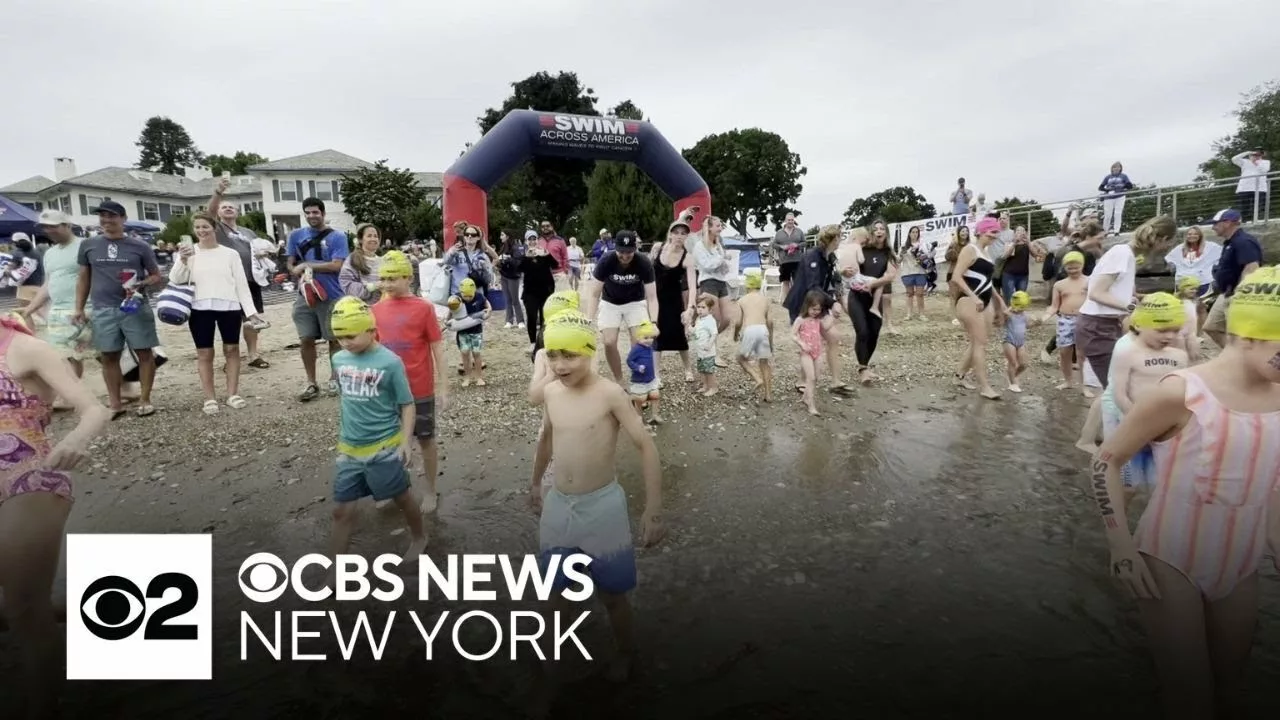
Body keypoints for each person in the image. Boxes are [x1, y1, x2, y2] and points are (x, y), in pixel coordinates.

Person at [1090, 267, 1280, 720]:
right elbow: (1106, 462)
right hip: (1171, 560)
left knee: (1231, 686)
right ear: (1249, 335)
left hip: (1242, 564)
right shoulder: (1181, 393)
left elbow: (1271, 479)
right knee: (1190, 697)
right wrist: (1120, 544)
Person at [531, 308, 664, 694]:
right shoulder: (551, 392)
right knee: (555, 591)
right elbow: (546, 439)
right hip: (560, 505)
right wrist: (534, 484)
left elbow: (645, 445)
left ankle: (625, 652)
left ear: (590, 351)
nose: (560, 365)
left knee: (612, 595)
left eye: (570, 355)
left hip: (602, 507)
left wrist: (653, 509)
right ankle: (552, 658)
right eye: (553, 355)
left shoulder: (609, 394)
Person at [0, 315, 111, 720]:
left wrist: (76, 439)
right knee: (26, 602)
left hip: (28, 475)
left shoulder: (25, 349)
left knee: (23, 607)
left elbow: (94, 409)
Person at [327, 297, 427, 562]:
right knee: (341, 511)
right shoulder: (338, 359)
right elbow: (346, 397)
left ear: (371, 330)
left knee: (402, 498)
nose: (345, 342)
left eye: (351, 336)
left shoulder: (390, 362)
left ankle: (419, 536)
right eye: (339, 337)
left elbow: (406, 403)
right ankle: (335, 571)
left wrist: (406, 441)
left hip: (383, 446)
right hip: (349, 448)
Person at [370, 251, 449, 514]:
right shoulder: (375, 310)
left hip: (419, 387)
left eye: (393, 278)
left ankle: (430, 489)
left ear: (408, 277)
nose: (387, 284)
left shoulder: (423, 307)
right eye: (383, 279)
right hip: (387, 390)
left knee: (425, 439)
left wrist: (444, 385)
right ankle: (395, 488)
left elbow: (437, 347)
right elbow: (373, 351)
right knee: (389, 441)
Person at [168, 212, 267, 414]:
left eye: (205, 226)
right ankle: (209, 398)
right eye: (197, 227)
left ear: (214, 228)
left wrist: (251, 312)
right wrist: (183, 259)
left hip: (229, 307)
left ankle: (232, 394)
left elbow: (241, 285)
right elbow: (175, 278)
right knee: (204, 353)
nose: (201, 231)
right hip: (199, 307)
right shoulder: (189, 252)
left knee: (232, 350)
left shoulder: (230, 254)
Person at [73, 200, 163, 418]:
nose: (106, 220)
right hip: (103, 308)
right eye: (102, 216)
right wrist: (79, 308)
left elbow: (156, 275)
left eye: (112, 215)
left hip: (134, 306)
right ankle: (115, 403)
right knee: (108, 356)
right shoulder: (88, 245)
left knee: (144, 352)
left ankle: (145, 399)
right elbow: (84, 278)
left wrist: (140, 283)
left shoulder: (140, 246)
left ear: (123, 218)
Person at [1101, 293, 1189, 502]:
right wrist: (1139, 423)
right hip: (1130, 421)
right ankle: (1116, 518)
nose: (1169, 336)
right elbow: (1119, 393)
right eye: (1162, 330)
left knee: (1159, 484)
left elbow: (1182, 392)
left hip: (1162, 429)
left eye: (1175, 330)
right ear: (1139, 325)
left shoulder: (1179, 356)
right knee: (1128, 485)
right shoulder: (1127, 352)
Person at [1076, 215, 1176, 392]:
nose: (1167, 248)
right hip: (1098, 328)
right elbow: (1096, 293)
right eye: (1169, 243)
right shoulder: (1122, 253)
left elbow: (1093, 287)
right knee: (1118, 390)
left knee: (1115, 390)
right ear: (1163, 238)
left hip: (1104, 325)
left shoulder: (1126, 254)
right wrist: (1131, 307)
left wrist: (1137, 299)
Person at [18, 212, 93, 402]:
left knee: (75, 355)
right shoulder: (50, 253)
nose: (48, 230)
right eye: (45, 227)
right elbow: (47, 284)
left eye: (53, 226)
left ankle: (72, 397)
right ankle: (70, 396)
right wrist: (29, 309)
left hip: (83, 307)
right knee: (64, 356)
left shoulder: (86, 245)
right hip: (57, 310)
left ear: (67, 225)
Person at [286, 198, 350, 402]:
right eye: (308, 212)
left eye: (315, 212)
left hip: (331, 293)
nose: (312, 216)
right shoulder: (295, 236)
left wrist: (308, 265)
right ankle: (311, 382)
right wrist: (296, 270)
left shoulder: (337, 236)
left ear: (322, 213)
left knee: (334, 339)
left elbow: (337, 265)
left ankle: (335, 378)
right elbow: (290, 262)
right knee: (305, 338)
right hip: (305, 293)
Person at [209, 177, 270, 369]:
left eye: (231, 207)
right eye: (224, 207)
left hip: (250, 279)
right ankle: (231, 358)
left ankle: (253, 355)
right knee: (230, 322)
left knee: (252, 319)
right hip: (228, 281)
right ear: (219, 211)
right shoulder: (217, 229)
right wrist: (218, 193)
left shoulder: (248, 232)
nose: (228, 209)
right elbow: (209, 213)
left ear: (238, 212)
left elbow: (256, 250)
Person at [585, 230, 659, 383]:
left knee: (640, 340)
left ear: (635, 249)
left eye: (629, 252)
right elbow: (594, 294)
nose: (625, 256)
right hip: (610, 302)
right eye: (621, 252)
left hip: (635, 302)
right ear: (615, 248)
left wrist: (653, 322)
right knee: (609, 341)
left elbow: (652, 297)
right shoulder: (606, 260)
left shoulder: (643, 262)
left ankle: (639, 379)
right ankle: (619, 379)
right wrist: (589, 320)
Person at [949, 216, 1006, 400]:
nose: (995, 235)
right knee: (980, 342)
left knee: (978, 341)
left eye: (997, 232)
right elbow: (956, 277)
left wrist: (1000, 302)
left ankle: (959, 376)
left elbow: (988, 282)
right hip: (968, 300)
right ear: (981, 231)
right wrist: (973, 297)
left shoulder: (986, 253)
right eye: (992, 232)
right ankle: (985, 387)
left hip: (985, 300)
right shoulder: (970, 249)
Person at [840, 224, 898, 386]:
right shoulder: (862, 249)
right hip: (857, 295)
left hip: (874, 297)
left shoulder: (888, 254)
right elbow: (845, 264)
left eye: (882, 229)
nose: (879, 231)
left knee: (874, 332)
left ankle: (865, 363)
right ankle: (863, 368)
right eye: (875, 229)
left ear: (886, 233)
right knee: (862, 331)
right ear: (870, 233)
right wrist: (843, 271)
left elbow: (891, 275)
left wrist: (873, 284)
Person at [1202, 208, 1262, 350]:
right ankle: (1235, 355)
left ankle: (1242, 357)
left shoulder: (1244, 241)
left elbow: (1251, 268)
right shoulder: (1230, 242)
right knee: (1211, 327)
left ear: (1227, 223)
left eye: (1216, 223)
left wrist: (1241, 294)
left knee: (1238, 333)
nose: (1213, 227)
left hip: (1237, 293)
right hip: (1226, 292)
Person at [649, 218, 698, 381]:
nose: (679, 236)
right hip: (655, 298)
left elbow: (692, 286)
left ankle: (688, 369)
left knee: (679, 336)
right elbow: (648, 272)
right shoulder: (657, 248)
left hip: (674, 299)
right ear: (670, 234)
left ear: (686, 237)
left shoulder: (687, 257)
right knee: (656, 335)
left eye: (683, 233)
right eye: (676, 232)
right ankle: (656, 375)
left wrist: (690, 308)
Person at [689, 216, 735, 366]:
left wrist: (726, 263)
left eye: (720, 225)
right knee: (713, 319)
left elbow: (721, 265)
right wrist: (721, 258)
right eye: (717, 226)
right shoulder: (700, 246)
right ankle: (713, 354)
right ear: (709, 228)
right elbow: (706, 265)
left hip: (721, 281)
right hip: (708, 282)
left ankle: (703, 335)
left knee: (727, 318)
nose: (720, 228)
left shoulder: (718, 244)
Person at [1041, 251, 1089, 390]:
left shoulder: (1090, 281)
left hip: (1084, 319)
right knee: (1064, 353)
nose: (1073, 270)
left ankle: (1084, 386)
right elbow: (1054, 306)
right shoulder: (1059, 284)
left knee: (1081, 354)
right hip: (1065, 320)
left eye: (1076, 267)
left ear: (1082, 265)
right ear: (1065, 267)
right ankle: (1068, 381)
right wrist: (1044, 317)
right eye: (1070, 268)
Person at [733, 271, 774, 402]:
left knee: (740, 358)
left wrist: (735, 334)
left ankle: (757, 378)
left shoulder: (742, 300)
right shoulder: (766, 300)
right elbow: (770, 322)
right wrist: (771, 340)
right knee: (764, 362)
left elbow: (738, 322)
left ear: (747, 285)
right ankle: (768, 394)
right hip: (763, 330)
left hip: (750, 330)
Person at [519, 229, 559, 348]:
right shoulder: (524, 256)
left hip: (545, 291)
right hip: (530, 292)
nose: (532, 242)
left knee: (544, 318)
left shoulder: (544, 253)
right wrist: (526, 257)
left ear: (538, 240)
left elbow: (555, 265)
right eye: (529, 239)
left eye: (534, 239)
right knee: (531, 317)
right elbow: (518, 269)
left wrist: (547, 254)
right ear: (526, 241)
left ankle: (543, 342)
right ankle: (532, 343)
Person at [448, 278, 490, 387]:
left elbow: (488, 305)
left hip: (476, 331)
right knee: (465, 353)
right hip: (462, 332)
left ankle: (479, 377)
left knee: (476, 353)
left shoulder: (479, 297)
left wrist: (488, 312)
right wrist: (447, 320)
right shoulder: (456, 298)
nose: (467, 298)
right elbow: (451, 311)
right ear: (461, 292)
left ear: (474, 291)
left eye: (470, 296)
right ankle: (467, 377)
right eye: (465, 296)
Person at [791, 290, 827, 416]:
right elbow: (793, 335)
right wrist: (801, 343)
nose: (816, 312)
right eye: (813, 309)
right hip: (806, 352)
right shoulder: (800, 320)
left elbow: (823, 331)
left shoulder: (818, 320)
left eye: (818, 309)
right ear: (807, 306)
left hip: (818, 351)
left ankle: (806, 397)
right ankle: (811, 405)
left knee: (816, 377)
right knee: (810, 378)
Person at [4, 233, 45, 325]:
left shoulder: (17, 253)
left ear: (15, 243)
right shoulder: (37, 253)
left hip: (24, 288)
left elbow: (9, 269)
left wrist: (7, 272)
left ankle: (31, 331)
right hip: (40, 287)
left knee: (26, 313)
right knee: (40, 312)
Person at [625, 320, 661, 424]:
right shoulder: (636, 349)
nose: (649, 340)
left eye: (651, 338)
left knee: (655, 395)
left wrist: (653, 325)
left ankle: (655, 415)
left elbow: (657, 333)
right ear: (638, 338)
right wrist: (637, 367)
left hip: (650, 378)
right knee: (640, 399)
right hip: (639, 380)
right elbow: (629, 361)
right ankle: (639, 419)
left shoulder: (650, 347)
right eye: (645, 338)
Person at [339, 223, 384, 302]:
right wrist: (372, 286)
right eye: (369, 236)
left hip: (381, 307)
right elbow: (346, 284)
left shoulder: (382, 261)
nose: (373, 239)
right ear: (360, 239)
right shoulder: (352, 259)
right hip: (360, 307)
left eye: (375, 236)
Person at [897, 225, 931, 321]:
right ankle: (909, 314)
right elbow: (898, 260)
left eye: (917, 232)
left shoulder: (922, 245)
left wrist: (923, 257)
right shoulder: (904, 246)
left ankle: (921, 314)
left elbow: (928, 256)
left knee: (920, 294)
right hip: (907, 272)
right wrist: (901, 254)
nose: (915, 234)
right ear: (909, 234)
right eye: (913, 232)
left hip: (920, 272)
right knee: (909, 294)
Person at [1003, 291, 1033, 393]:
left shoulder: (1024, 315)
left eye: (1023, 307)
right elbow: (1004, 314)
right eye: (1020, 307)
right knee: (1013, 362)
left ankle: (1013, 375)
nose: (1020, 310)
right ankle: (1013, 384)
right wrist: (1011, 307)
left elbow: (1028, 325)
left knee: (1024, 364)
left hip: (1021, 342)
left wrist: (1036, 323)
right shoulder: (1009, 314)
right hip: (1009, 341)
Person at [496, 230, 526, 329]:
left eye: (502, 235)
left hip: (513, 276)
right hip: (504, 275)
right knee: (507, 299)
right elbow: (499, 260)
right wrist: (499, 262)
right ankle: (509, 321)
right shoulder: (503, 247)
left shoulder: (515, 247)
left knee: (515, 299)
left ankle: (520, 321)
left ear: (508, 236)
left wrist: (508, 259)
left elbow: (518, 262)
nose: (500, 237)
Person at [771, 212, 805, 298]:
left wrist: (797, 245)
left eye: (792, 220)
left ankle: (797, 299)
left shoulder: (799, 231)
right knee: (785, 282)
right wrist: (782, 247)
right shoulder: (779, 233)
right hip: (784, 261)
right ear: (785, 221)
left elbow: (804, 243)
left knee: (798, 282)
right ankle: (787, 300)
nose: (790, 221)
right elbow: (774, 245)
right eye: (789, 220)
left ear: (794, 220)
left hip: (797, 260)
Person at [1231, 147, 1270, 222]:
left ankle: (1255, 221)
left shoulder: (1266, 162)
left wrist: (1255, 162)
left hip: (1260, 188)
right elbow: (1234, 159)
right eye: (1255, 154)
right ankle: (1244, 221)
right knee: (1244, 207)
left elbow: (1264, 170)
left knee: (1257, 206)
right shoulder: (1244, 162)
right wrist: (1248, 152)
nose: (1256, 155)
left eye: (1258, 154)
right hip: (1244, 188)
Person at [690, 294, 719, 397]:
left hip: (708, 351)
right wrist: (689, 329)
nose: (700, 310)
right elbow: (696, 331)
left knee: (709, 371)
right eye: (698, 307)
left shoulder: (710, 320)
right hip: (700, 351)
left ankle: (713, 387)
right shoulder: (699, 319)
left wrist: (709, 344)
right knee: (702, 369)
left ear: (710, 309)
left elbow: (714, 333)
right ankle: (705, 385)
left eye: (703, 307)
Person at [1097, 161, 1135, 236]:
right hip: (1109, 197)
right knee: (1108, 215)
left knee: (1118, 213)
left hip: (1120, 196)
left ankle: (1116, 231)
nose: (1116, 169)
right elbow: (1100, 187)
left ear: (1120, 168)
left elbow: (1130, 186)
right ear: (1112, 168)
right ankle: (1105, 231)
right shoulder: (1108, 177)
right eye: (1114, 167)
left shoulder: (1124, 176)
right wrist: (1107, 190)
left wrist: (1122, 187)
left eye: (1118, 167)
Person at [537, 220, 570, 291]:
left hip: (559, 275)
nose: (545, 228)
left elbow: (565, 257)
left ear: (552, 227)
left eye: (547, 226)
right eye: (543, 226)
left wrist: (565, 271)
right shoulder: (538, 241)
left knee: (560, 297)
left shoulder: (560, 240)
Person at [1175, 276, 1203, 360]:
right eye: (1191, 289)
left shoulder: (1196, 301)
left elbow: (1198, 316)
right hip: (1179, 332)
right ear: (1183, 289)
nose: (1194, 291)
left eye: (1196, 289)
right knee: (1181, 354)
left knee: (1194, 354)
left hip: (1192, 332)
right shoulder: (1176, 301)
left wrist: (1199, 332)